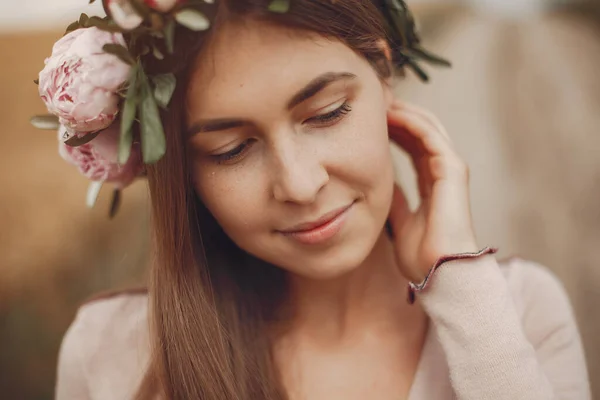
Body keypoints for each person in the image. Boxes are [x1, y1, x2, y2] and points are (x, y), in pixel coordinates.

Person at [34, 0, 590, 399]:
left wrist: (461, 284)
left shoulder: (520, 313)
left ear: (384, 73)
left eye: (326, 114)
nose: (300, 185)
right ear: (181, 172)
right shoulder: (110, 354)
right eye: (230, 149)